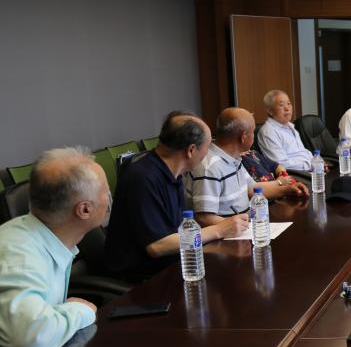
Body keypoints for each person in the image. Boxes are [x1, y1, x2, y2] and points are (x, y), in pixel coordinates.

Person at [104, 112, 248, 280]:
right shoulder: (142, 177)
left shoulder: (174, 173)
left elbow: (178, 229)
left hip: (174, 263)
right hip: (142, 278)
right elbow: (157, 246)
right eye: (207, 147)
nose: (207, 153)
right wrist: (218, 230)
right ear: (191, 150)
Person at [0, 148, 107, 347]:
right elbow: (30, 341)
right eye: (106, 191)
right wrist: (80, 309)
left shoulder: (48, 238)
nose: (109, 198)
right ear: (84, 210)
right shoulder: (19, 255)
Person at [187, 108, 308, 226]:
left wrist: (288, 190)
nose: (253, 136)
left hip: (246, 227)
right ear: (243, 137)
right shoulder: (209, 168)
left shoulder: (233, 157)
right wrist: (242, 226)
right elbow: (204, 218)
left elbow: (252, 189)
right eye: (253, 132)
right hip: (230, 234)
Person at [257, 90, 315, 171]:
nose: (287, 108)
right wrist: (310, 165)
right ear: (270, 111)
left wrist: (316, 162)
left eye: (289, 104)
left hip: (309, 169)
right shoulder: (268, 132)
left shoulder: (290, 126)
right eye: (281, 105)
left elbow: (302, 152)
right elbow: (281, 163)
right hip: (295, 174)